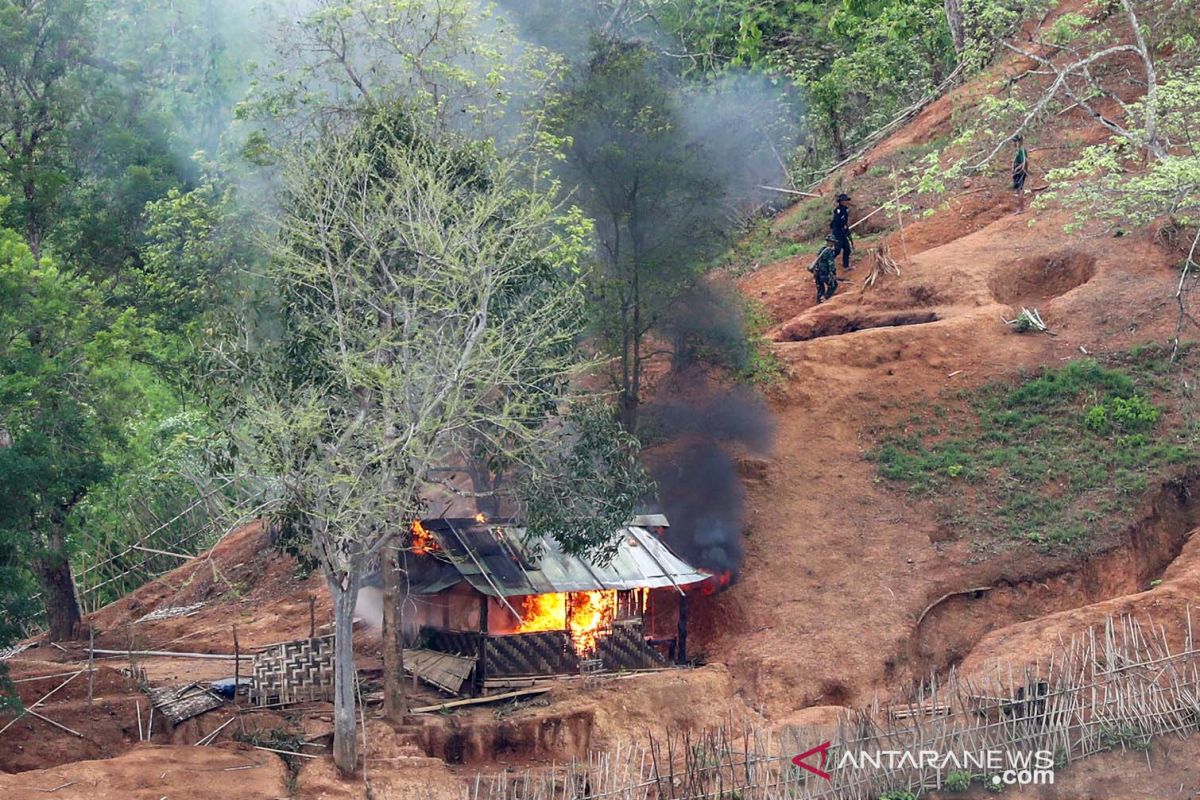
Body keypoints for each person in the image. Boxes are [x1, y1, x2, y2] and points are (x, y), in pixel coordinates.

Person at [808, 234, 839, 303]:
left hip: (816, 272)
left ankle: (818, 302)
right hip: (824, 273)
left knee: (820, 289)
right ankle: (825, 298)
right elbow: (831, 264)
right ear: (831, 242)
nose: (833, 244)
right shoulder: (829, 251)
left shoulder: (821, 249)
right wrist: (833, 273)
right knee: (833, 285)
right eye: (833, 242)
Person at [830, 192, 853, 271]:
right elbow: (836, 223)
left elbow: (845, 223)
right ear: (841, 201)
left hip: (842, 232)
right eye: (845, 200)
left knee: (847, 248)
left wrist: (847, 232)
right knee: (837, 249)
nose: (846, 202)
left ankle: (846, 266)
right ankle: (828, 260)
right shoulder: (838, 211)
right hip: (837, 233)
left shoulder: (845, 210)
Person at [1012, 134, 1029, 213]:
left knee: (1020, 189)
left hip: (1020, 172)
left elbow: (1025, 162)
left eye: (1016, 141)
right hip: (1016, 172)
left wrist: (1019, 169)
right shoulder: (1018, 150)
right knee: (1018, 190)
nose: (1014, 143)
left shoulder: (1021, 150)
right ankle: (1020, 207)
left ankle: (1021, 208)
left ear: (1020, 141)